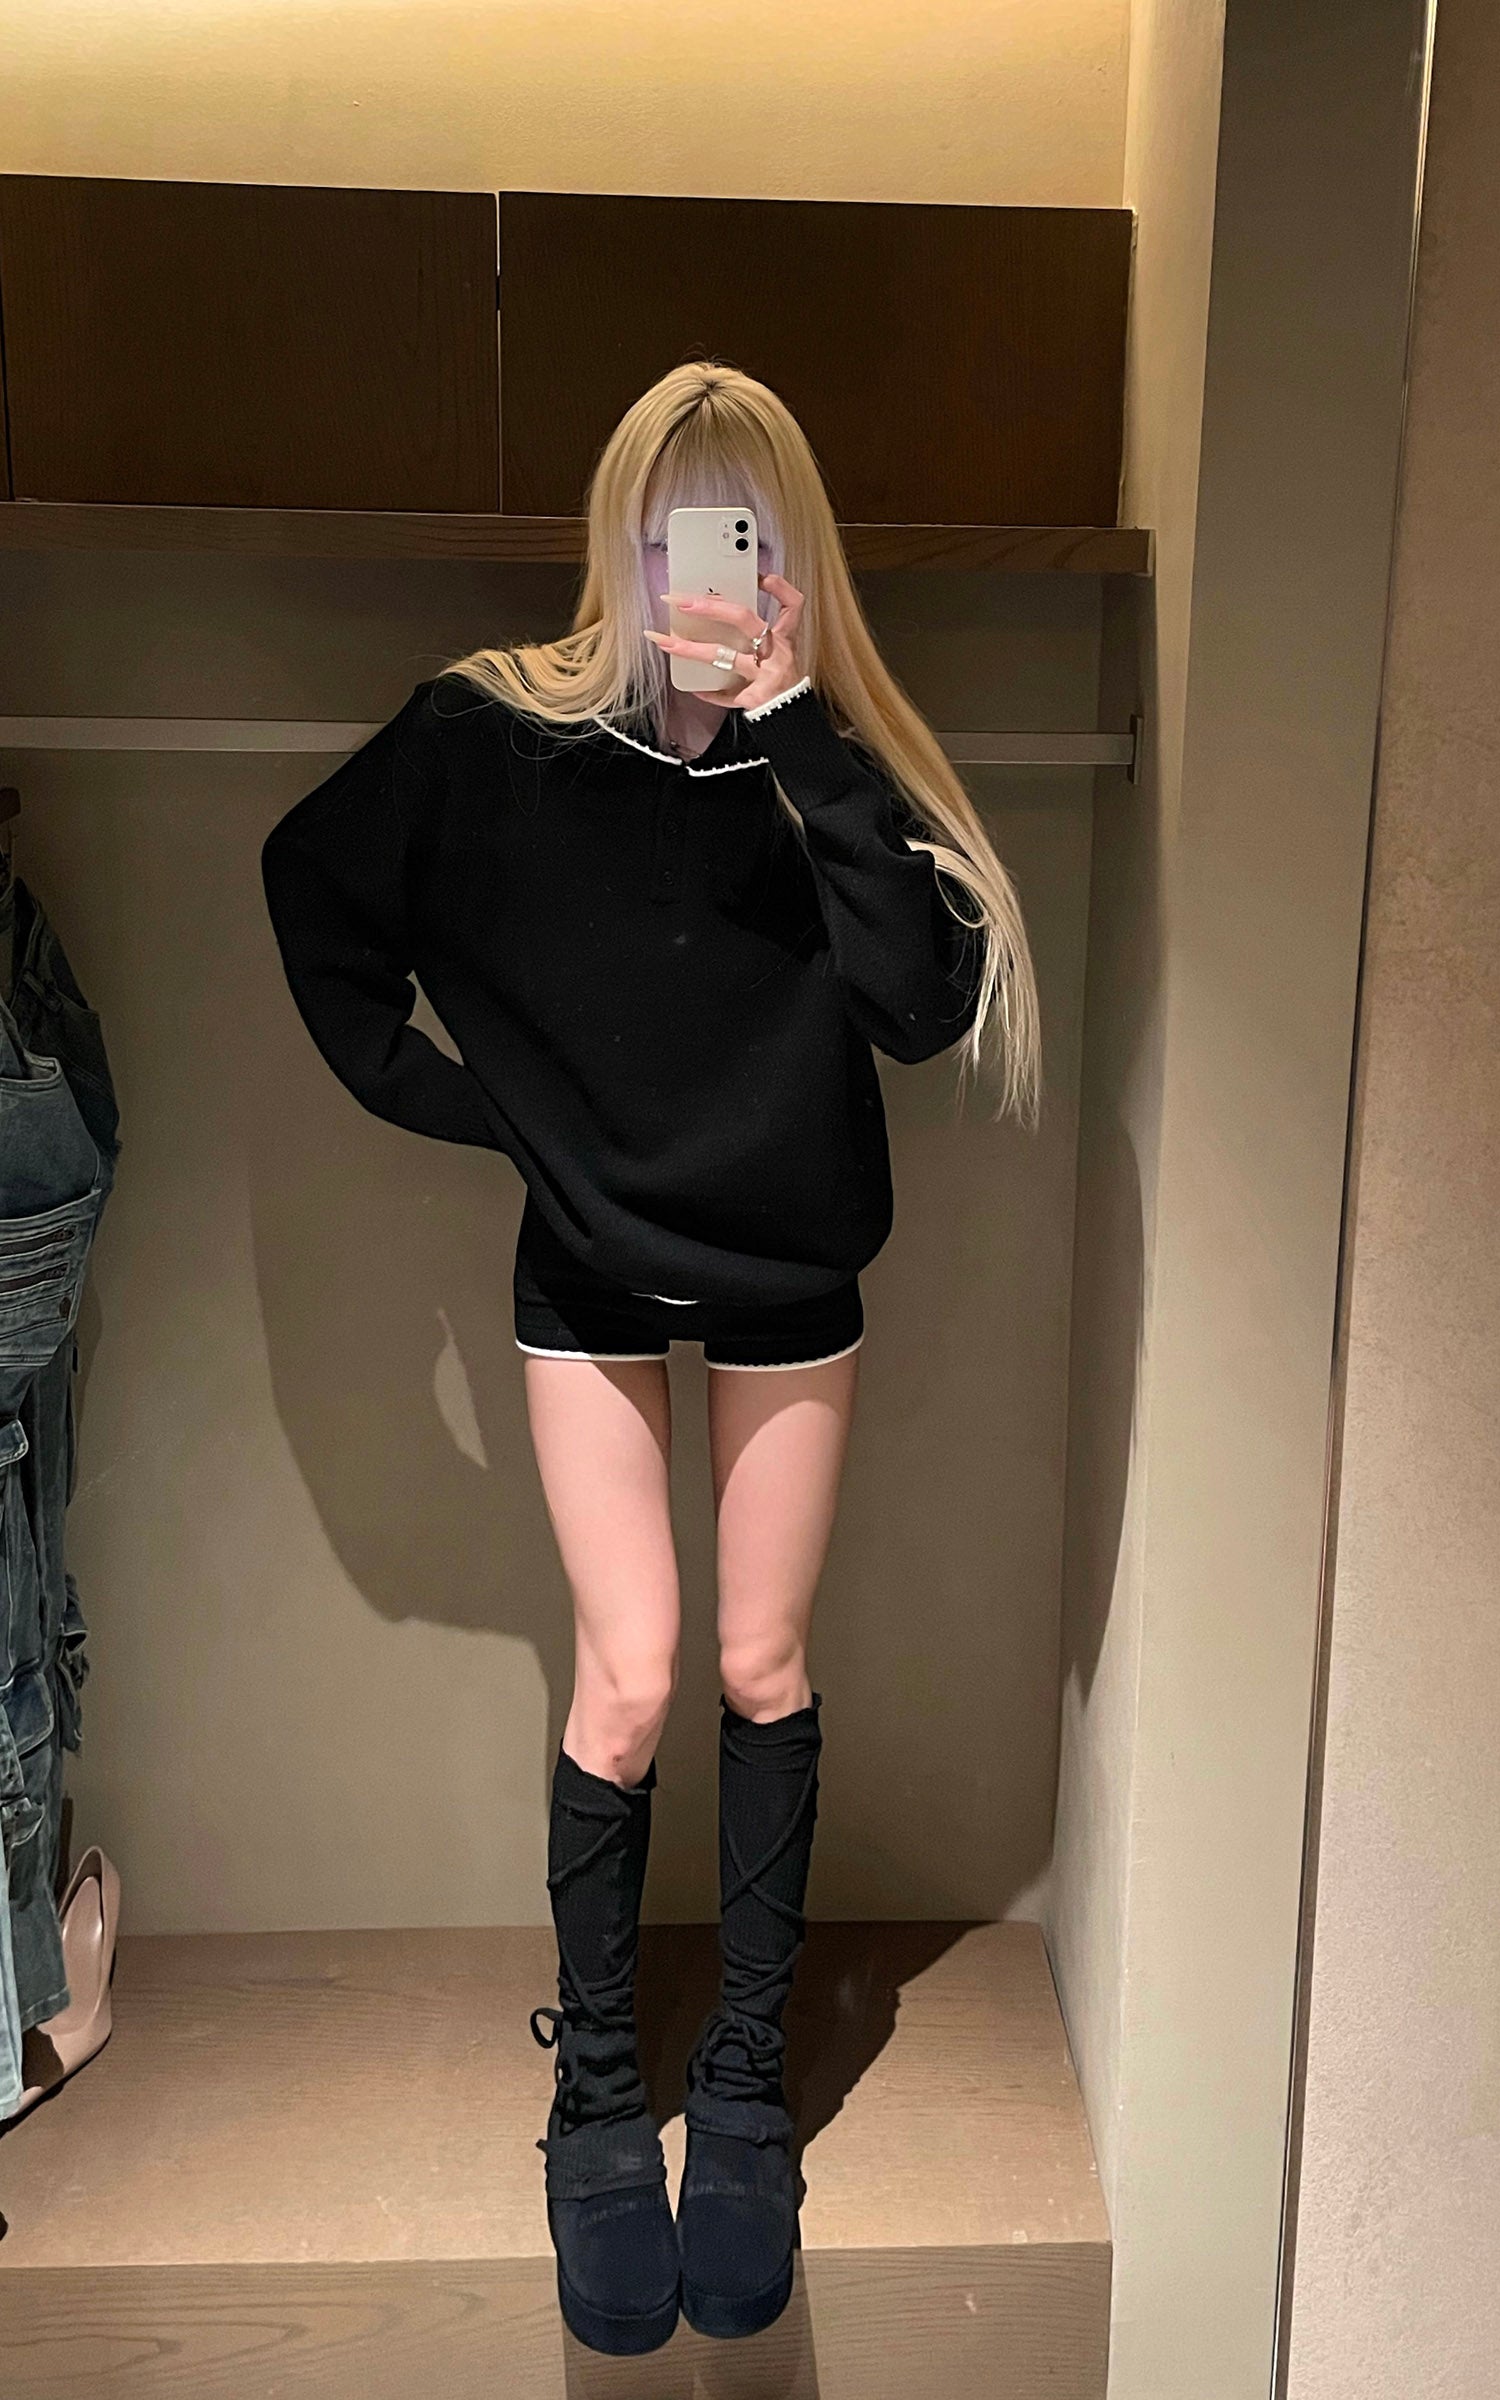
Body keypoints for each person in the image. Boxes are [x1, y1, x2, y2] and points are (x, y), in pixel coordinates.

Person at [260, 360, 1040, 2354]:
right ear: (620, 536)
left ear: (791, 557)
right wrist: (480, 1114)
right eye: (676, 526)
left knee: (764, 1665)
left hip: (788, 1269)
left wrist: (798, 730)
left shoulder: (827, 759)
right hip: (592, 1270)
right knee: (627, 1679)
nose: (707, 572)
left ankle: (745, 2084)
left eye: (744, 534)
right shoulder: (495, 738)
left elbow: (921, 1005)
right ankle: (599, 2095)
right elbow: (316, 890)